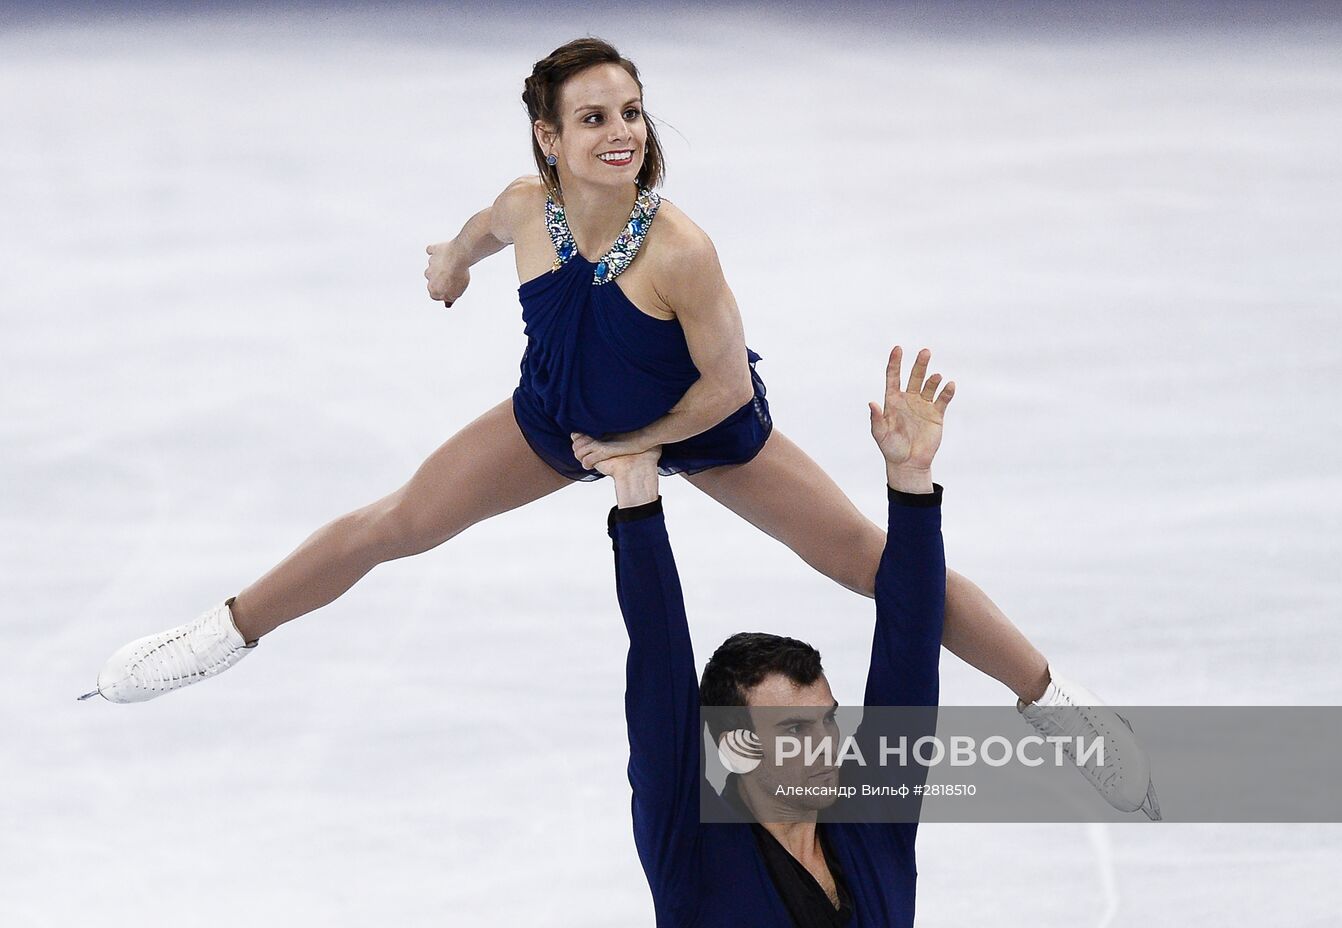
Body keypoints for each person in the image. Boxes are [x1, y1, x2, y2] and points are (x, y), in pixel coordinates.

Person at [81, 38, 1156, 819]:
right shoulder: (524, 206)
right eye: (592, 117)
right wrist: (452, 266)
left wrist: (647, 449)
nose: (620, 132)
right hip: (560, 416)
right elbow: (476, 231)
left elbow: (728, 391)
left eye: (630, 112)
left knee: (876, 566)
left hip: (700, 427)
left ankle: (1052, 699)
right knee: (394, 520)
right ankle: (219, 635)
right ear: (548, 137)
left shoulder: (679, 248)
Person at [602, 345, 953, 926]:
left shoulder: (872, 820)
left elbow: (910, 652)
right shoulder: (692, 850)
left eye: (827, 722)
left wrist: (911, 481)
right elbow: (658, 665)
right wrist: (638, 496)